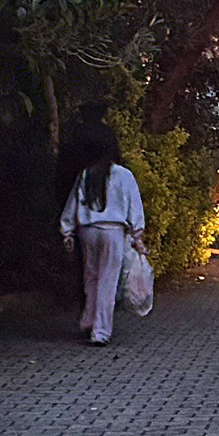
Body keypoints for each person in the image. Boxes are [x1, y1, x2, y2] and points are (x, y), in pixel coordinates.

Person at [60, 131, 146, 346]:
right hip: (113, 231)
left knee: (91, 277)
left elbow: (73, 203)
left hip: (88, 231)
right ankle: (101, 331)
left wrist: (67, 230)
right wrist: (138, 236)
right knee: (108, 281)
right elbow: (135, 207)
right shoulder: (124, 175)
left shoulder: (86, 174)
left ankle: (88, 319)